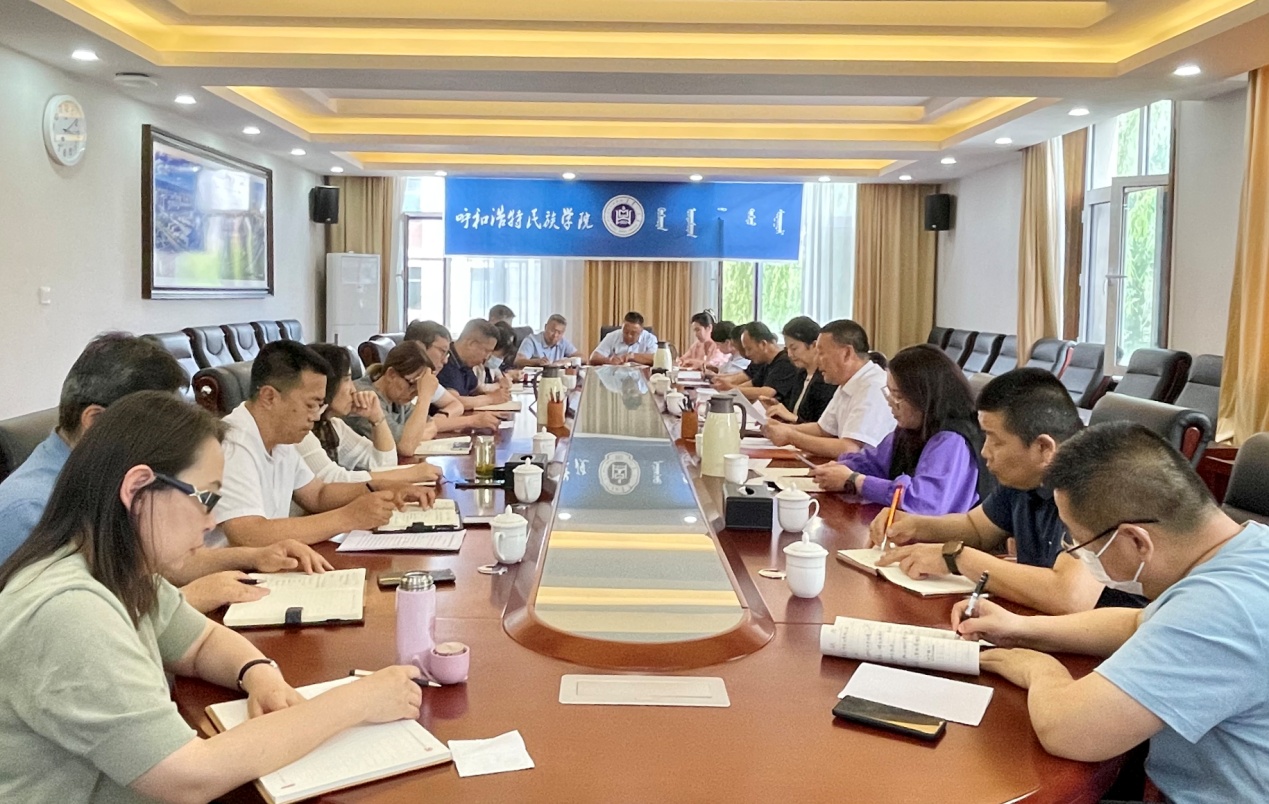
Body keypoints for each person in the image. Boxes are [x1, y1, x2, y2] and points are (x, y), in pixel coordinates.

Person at [0, 392, 424, 804]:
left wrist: (259, 674)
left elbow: (200, 642)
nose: (212, 520)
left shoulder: (117, 568)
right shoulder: (70, 610)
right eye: (204, 498)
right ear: (137, 488)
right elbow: (189, 777)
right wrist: (357, 701)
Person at [955, 423, 1268, 804]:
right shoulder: (1250, 547)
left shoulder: (1219, 608)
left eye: (1082, 544)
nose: (1079, 555)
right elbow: (1139, 623)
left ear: (1135, 540)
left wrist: (1037, 668)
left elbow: (1070, 731)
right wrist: (1022, 628)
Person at [0, 333, 327, 613]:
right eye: (157, 429)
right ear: (96, 421)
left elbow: (159, 566)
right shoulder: (27, 510)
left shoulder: (114, 479)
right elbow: (70, 629)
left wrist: (254, 557)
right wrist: (189, 599)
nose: (171, 444)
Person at [872, 368, 1143, 614]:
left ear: (1043, 448)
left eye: (996, 441)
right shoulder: (1026, 477)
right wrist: (915, 525)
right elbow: (976, 528)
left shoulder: (1094, 484)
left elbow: (1069, 595)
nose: (984, 452)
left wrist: (957, 558)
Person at [213, 341, 433, 548]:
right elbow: (248, 533)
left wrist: (382, 488)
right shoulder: (234, 443)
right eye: (311, 405)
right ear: (269, 397)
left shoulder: (282, 437)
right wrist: (348, 517)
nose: (316, 416)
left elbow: (318, 494)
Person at [811, 344, 986, 515]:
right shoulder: (911, 428)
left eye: (898, 396)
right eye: (889, 393)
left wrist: (855, 481)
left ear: (925, 398)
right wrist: (840, 468)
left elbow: (923, 502)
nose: (890, 403)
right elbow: (874, 463)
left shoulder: (952, 439)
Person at [301, 344, 441, 486]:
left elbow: (385, 463)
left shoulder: (334, 425)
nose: (353, 389)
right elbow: (333, 479)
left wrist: (377, 418)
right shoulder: (302, 433)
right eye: (346, 380)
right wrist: (409, 474)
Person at [765, 319, 894, 458]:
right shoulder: (848, 382)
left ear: (847, 353)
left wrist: (791, 437)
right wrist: (783, 428)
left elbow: (851, 448)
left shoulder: (872, 386)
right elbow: (823, 429)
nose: (817, 360)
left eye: (821, 353)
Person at [350, 341, 498, 441]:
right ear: (391, 374)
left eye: (419, 388)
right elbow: (405, 445)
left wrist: (417, 433)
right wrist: (425, 397)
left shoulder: (396, 397)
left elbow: (431, 425)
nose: (415, 393)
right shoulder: (365, 397)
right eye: (413, 385)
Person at [757, 317, 837, 425]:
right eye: (787, 349)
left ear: (814, 345)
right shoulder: (800, 375)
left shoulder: (826, 379)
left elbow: (822, 428)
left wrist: (793, 418)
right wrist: (778, 410)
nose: (790, 354)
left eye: (794, 348)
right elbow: (794, 414)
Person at [712, 322, 801, 408]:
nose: (747, 354)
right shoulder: (766, 363)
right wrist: (727, 388)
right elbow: (752, 384)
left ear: (763, 344)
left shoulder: (785, 362)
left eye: (749, 349)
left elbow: (768, 392)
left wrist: (732, 388)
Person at [436, 319, 514, 410]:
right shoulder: (444, 362)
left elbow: (477, 389)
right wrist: (490, 399)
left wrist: (500, 392)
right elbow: (453, 402)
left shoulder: (465, 364)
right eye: (486, 351)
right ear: (471, 344)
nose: (487, 357)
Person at [589, 311, 658, 366]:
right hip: (615, 376)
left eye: (633, 333)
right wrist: (609, 360)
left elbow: (656, 360)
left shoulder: (650, 339)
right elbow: (593, 359)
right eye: (625, 331)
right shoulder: (612, 336)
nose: (629, 336)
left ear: (641, 331)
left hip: (640, 376)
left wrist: (633, 356)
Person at [516, 314, 580, 367]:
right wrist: (537, 362)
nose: (555, 335)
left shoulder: (563, 342)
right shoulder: (531, 340)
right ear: (545, 327)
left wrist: (567, 361)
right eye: (552, 330)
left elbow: (582, 357)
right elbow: (518, 361)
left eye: (559, 332)